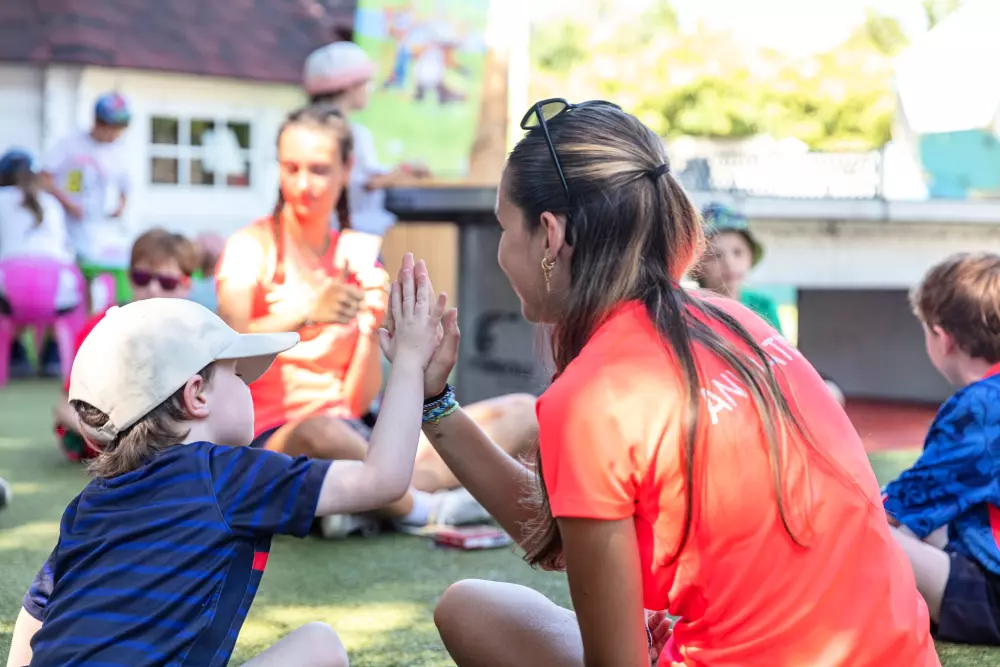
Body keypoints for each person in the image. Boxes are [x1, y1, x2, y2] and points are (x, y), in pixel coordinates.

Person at [417, 100, 939, 666]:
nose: (501, 250)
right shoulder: (734, 321)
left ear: (550, 235)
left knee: (473, 610)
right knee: (474, 607)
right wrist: (436, 402)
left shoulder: (592, 399)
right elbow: (562, 538)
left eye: (504, 226)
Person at [5, 258, 445, 666]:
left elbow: (35, 614)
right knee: (320, 646)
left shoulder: (89, 504)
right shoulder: (227, 475)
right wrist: (409, 360)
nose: (249, 385)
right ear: (196, 396)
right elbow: (382, 479)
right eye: (237, 374)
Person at [216, 105, 535, 538]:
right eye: (291, 168)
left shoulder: (358, 252)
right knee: (321, 433)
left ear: (347, 170)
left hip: (356, 435)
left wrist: (370, 326)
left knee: (523, 412)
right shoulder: (250, 246)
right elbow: (228, 346)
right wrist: (309, 310)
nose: (303, 184)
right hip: (276, 439)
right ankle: (422, 508)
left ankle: (361, 501)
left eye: (319, 169)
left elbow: (356, 400)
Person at [883, 252, 1000, 646]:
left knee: (861, 528)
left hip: (991, 600)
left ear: (943, 338)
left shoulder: (980, 408)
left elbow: (904, 503)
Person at [51, 228, 200, 462]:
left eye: (167, 282)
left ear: (187, 285)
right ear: (129, 277)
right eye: (142, 278)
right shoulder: (102, 325)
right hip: (101, 433)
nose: (153, 288)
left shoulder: (197, 334)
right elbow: (68, 406)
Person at [303, 40, 430, 237]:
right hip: (351, 236)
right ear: (349, 86)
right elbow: (366, 183)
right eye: (366, 82)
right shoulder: (353, 134)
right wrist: (406, 170)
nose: (370, 89)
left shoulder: (304, 132)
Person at [41, 92, 133, 302]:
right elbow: (45, 176)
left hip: (103, 227)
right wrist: (68, 203)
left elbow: (125, 185)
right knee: (76, 279)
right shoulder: (70, 143)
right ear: (98, 122)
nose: (114, 134)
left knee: (107, 278)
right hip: (68, 227)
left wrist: (121, 205)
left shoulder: (120, 151)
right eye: (111, 127)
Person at [0, 148, 76, 378]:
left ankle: (14, 350)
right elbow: (66, 252)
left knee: (14, 288)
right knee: (49, 287)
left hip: (10, 297)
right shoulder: (51, 203)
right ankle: (53, 353)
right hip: (56, 298)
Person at [695, 202, 783, 333]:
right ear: (696, 264)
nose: (729, 263)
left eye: (738, 252)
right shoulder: (690, 310)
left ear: (750, 256)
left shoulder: (763, 306)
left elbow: (777, 345)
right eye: (716, 256)